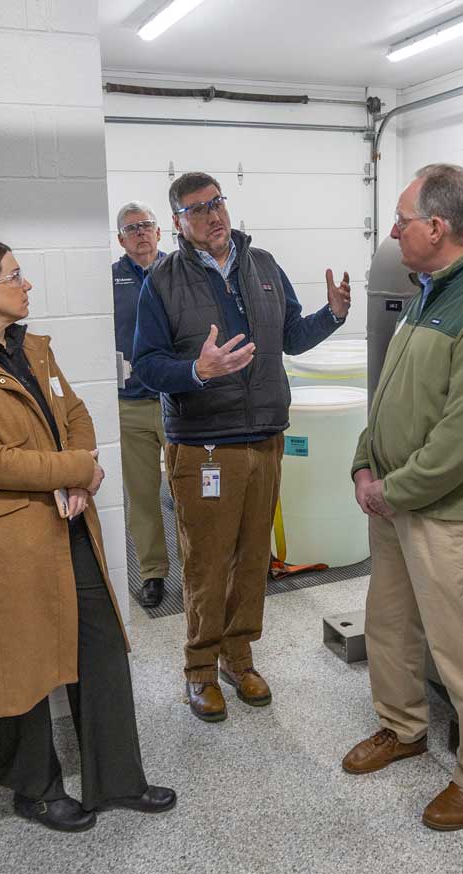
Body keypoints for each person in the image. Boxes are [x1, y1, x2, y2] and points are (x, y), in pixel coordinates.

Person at [0, 239, 175, 834]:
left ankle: (118, 780)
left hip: (68, 523)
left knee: (102, 648)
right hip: (7, 538)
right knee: (22, 662)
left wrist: (77, 471)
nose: (27, 284)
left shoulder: (33, 348)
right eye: (15, 276)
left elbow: (76, 414)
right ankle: (34, 790)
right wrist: (76, 469)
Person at [341, 164, 463, 832]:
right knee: (389, 625)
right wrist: (364, 462)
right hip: (396, 501)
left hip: (453, 513)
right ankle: (401, 729)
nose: (393, 232)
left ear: (436, 226)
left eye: (401, 221)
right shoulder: (428, 291)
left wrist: (394, 490)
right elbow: (392, 392)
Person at [131, 171, 352, 722]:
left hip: (264, 438)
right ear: (178, 221)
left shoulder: (264, 265)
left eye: (217, 203)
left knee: (253, 558)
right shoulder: (162, 280)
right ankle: (200, 670)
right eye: (198, 209)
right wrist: (197, 371)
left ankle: (238, 656)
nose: (213, 215)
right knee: (207, 564)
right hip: (205, 445)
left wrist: (333, 316)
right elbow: (147, 365)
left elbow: (292, 336)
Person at [112, 201, 171, 609]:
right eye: (131, 229)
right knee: (142, 495)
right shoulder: (109, 280)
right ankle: (152, 572)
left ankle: (200, 566)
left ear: (160, 232)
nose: (140, 233)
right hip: (130, 405)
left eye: (147, 225)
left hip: (176, 402)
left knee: (189, 492)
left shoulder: (180, 272)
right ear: (121, 240)